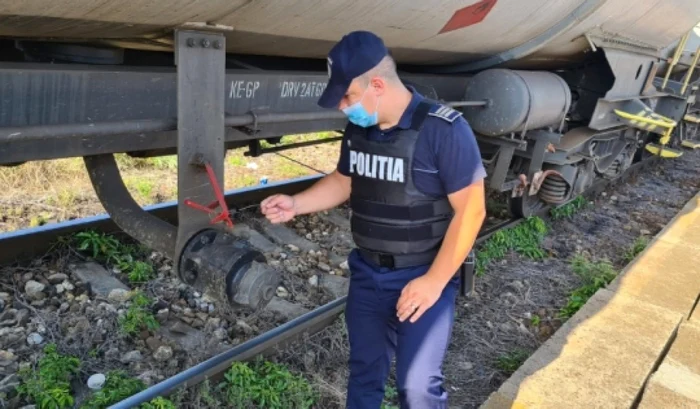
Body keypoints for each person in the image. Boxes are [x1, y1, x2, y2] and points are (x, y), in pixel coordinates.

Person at [260, 30, 486, 409]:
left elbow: (472, 210)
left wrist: (432, 282)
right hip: (368, 276)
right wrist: (296, 204)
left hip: (422, 275)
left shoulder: (444, 131)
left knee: (417, 387)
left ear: (376, 85)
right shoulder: (359, 129)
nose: (343, 107)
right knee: (364, 374)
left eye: (347, 97)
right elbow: (343, 181)